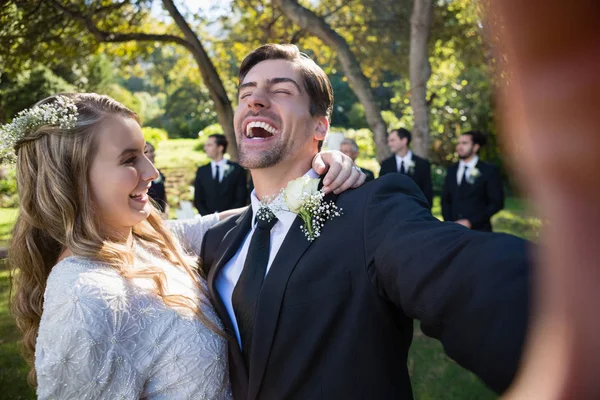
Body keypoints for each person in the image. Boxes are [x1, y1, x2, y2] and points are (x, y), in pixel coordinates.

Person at [200, 44, 531, 400]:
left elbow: (466, 276)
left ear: (320, 125)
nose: (255, 100)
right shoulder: (216, 242)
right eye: (246, 93)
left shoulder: (371, 209)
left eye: (281, 90)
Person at [3, 93, 364, 398]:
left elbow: (246, 213)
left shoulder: (150, 240)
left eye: (145, 153)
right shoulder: (82, 296)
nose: (151, 171)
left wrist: (318, 167)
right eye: (129, 159)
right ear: (70, 178)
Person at [441, 130, 504, 232]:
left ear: (476, 147)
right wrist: (449, 223)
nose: (459, 147)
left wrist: (470, 222)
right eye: (459, 143)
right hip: (453, 231)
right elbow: (445, 199)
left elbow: (496, 203)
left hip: (480, 231)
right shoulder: (452, 170)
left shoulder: (489, 170)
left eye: (464, 143)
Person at [194, 134, 249, 215]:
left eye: (209, 145)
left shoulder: (236, 169)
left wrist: (226, 218)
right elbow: (198, 200)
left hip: (231, 221)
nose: (205, 148)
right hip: (207, 221)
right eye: (205, 145)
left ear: (220, 148)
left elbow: (241, 199)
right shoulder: (202, 171)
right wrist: (209, 219)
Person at [379, 128, 434, 208]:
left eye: (392, 140)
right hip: (392, 213)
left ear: (404, 140)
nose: (389, 144)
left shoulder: (422, 164)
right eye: (389, 141)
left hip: (416, 212)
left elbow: (428, 193)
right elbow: (382, 191)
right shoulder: (386, 164)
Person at [144, 142, 168, 214]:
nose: (152, 154)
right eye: (148, 152)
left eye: (153, 151)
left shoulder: (159, 174)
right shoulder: (139, 176)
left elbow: (164, 197)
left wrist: (166, 213)